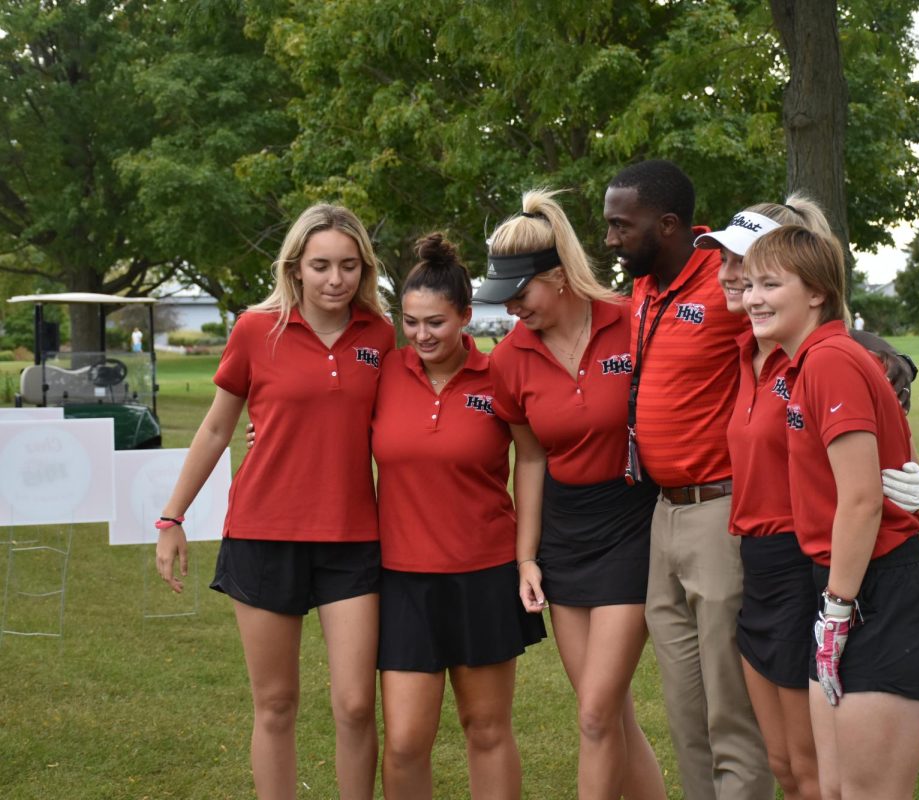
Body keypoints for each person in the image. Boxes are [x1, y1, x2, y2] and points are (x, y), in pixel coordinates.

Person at [155, 204, 394, 800]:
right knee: (276, 703)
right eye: (320, 266)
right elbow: (215, 430)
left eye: (347, 265)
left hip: (352, 540)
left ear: (363, 268)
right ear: (294, 268)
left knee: (357, 703)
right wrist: (171, 517)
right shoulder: (255, 330)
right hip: (264, 533)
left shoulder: (382, 336)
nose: (335, 279)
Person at [695, 196, 919, 800]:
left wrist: (906, 481)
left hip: (823, 573)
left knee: (827, 780)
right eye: (737, 271)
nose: (735, 281)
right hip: (768, 565)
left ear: (810, 285)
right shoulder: (745, 347)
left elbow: (863, 481)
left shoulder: (824, 356)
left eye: (755, 272)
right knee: (798, 771)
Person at [742, 225, 919, 800]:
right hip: (841, 591)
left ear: (816, 292)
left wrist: (835, 614)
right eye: (748, 284)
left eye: (770, 283)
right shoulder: (805, 363)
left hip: (881, 595)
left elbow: (860, 501)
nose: (752, 297)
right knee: (833, 788)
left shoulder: (831, 359)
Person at [477, 190, 667, 800]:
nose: (510, 308)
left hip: (632, 524)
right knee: (608, 713)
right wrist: (526, 556)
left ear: (557, 277)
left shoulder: (629, 320)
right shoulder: (509, 359)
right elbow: (529, 458)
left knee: (594, 714)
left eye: (521, 293)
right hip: (564, 535)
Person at [603, 159, 773, 800]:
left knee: (730, 708)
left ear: (666, 224)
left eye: (622, 226)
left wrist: (887, 356)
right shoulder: (645, 286)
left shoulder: (727, 280)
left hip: (718, 511)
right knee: (683, 707)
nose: (611, 239)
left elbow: (809, 312)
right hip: (662, 514)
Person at [373, 233, 545, 800]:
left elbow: (534, 458)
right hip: (403, 579)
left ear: (466, 317)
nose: (421, 335)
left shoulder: (498, 375)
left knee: (487, 729)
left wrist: (525, 557)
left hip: (484, 574)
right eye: (411, 322)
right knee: (403, 741)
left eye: (436, 323)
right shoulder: (383, 373)